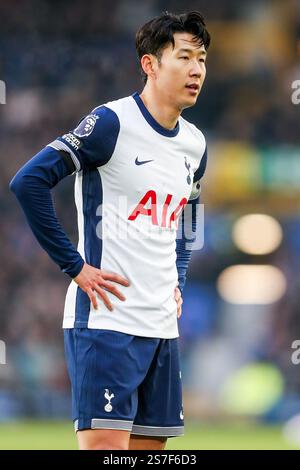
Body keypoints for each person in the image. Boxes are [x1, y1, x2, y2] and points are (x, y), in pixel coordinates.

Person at [10, 11, 210, 450]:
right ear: (151, 65)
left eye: (202, 59)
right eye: (185, 57)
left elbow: (189, 216)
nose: (197, 69)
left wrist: (177, 276)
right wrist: (75, 266)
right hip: (106, 319)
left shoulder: (195, 144)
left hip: (162, 326)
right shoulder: (111, 124)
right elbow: (28, 181)